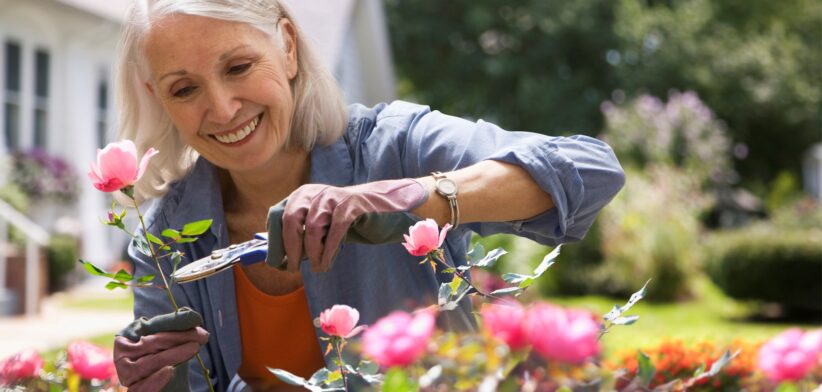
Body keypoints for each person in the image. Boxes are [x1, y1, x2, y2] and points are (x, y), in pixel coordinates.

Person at [111, 1, 625, 391]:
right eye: (185, 90)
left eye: (239, 68)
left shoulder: (396, 147)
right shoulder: (165, 238)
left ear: (287, 47)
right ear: (159, 98)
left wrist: (408, 196)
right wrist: (160, 379)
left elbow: (591, 170)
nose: (222, 109)